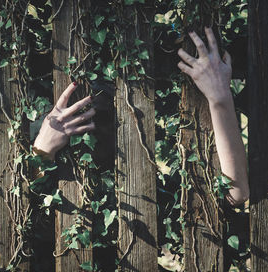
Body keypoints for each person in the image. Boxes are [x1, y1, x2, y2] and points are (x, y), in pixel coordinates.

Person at [33, 27, 249, 206]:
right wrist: (42, 149)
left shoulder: (149, 184)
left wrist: (219, 97)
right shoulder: (37, 97)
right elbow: (29, 204)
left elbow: (233, 194)